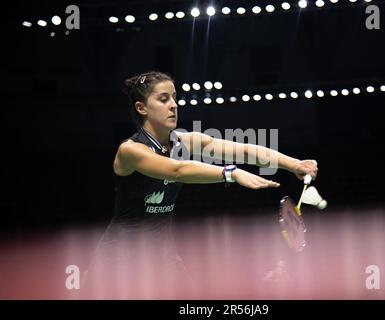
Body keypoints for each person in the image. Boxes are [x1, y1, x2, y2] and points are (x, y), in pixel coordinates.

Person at [85, 71, 318, 298]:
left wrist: (294, 164)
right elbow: (178, 171)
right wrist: (230, 172)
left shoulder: (182, 141)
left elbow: (245, 150)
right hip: (121, 258)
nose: (174, 105)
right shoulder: (130, 151)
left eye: (175, 97)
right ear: (141, 108)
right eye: (163, 99)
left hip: (163, 254)